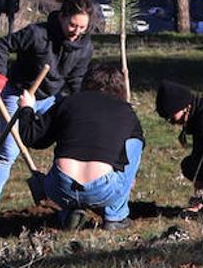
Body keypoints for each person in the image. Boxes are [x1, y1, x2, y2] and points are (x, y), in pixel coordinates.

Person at [0, 0, 95, 216]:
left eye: (82, 27)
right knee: (8, 150)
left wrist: (80, 105)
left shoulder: (84, 47)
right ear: (62, 16)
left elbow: (76, 81)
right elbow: (3, 45)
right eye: (73, 25)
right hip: (18, 94)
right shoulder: (37, 34)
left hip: (51, 98)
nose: (77, 32)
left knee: (67, 144)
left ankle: (61, 195)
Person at [18, 63, 144, 231]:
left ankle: (68, 213)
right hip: (104, 190)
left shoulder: (67, 103)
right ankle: (116, 216)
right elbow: (133, 152)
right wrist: (129, 178)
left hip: (60, 187)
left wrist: (26, 108)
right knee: (136, 141)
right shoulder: (127, 111)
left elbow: (32, 138)